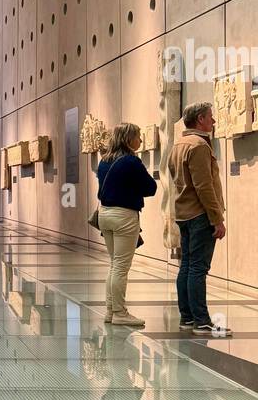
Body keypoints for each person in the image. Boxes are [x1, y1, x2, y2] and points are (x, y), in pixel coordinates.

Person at [168, 102, 231, 337]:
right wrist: (217, 218)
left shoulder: (178, 145)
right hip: (199, 214)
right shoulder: (199, 146)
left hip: (183, 213)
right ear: (201, 119)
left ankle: (187, 316)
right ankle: (201, 321)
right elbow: (204, 186)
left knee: (186, 266)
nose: (214, 122)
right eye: (211, 118)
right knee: (197, 268)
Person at [97, 123, 157, 328]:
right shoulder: (132, 161)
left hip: (104, 214)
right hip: (124, 216)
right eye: (137, 136)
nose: (140, 140)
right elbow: (151, 188)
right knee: (121, 267)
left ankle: (110, 310)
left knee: (114, 265)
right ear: (128, 139)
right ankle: (120, 312)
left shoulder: (104, 161)